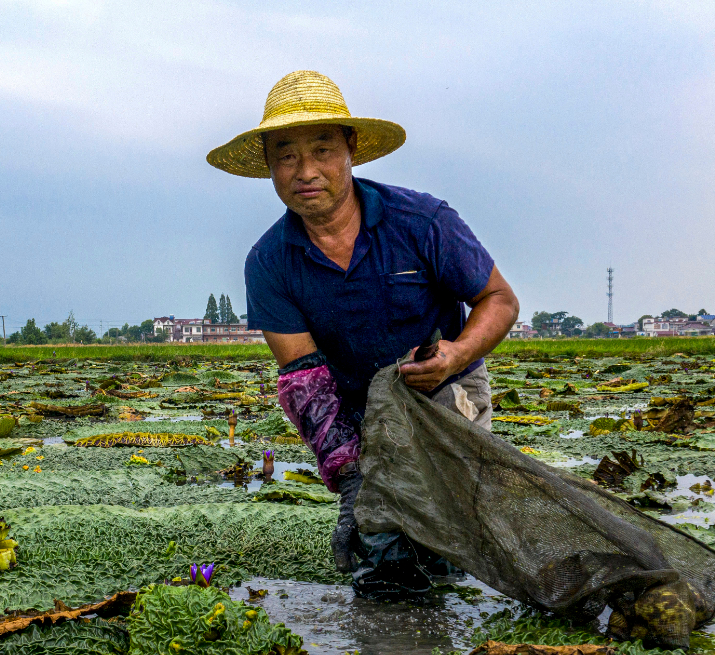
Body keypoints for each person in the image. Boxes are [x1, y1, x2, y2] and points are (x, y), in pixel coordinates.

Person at [207, 70, 519, 580]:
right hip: (354, 413)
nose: (305, 171)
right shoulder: (268, 262)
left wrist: (457, 356)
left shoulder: (421, 221)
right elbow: (304, 381)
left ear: (350, 149)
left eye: (322, 150)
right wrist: (351, 478)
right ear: (268, 166)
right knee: (383, 557)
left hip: (444, 391)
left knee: (439, 536)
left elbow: (500, 299)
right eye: (286, 155)